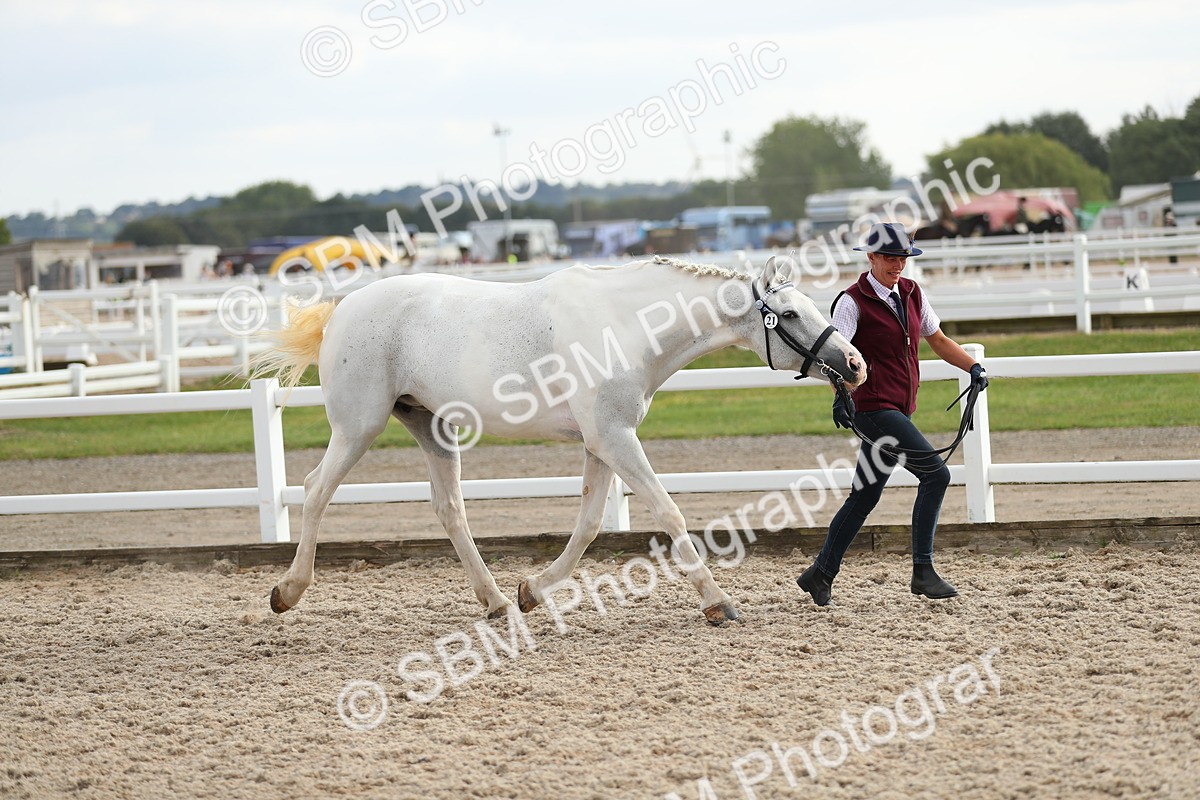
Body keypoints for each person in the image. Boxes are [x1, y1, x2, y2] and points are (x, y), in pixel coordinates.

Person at [796, 222, 989, 606]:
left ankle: (820, 573)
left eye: (902, 258)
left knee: (864, 496)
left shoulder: (913, 293)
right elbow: (838, 356)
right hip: (872, 409)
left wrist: (973, 368)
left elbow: (937, 339)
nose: (897, 265)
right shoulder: (852, 302)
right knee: (936, 475)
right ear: (871, 257)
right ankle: (923, 570)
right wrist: (840, 394)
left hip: (900, 408)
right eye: (889, 257)